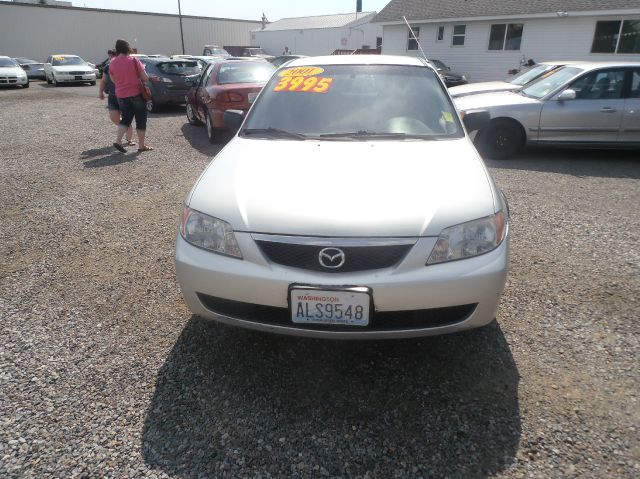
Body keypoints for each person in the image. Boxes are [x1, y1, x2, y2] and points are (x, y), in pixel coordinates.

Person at [107, 39, 153, 152]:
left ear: (117, 49)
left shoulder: (112, 62)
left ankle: (118, 141)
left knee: (126, 119)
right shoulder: (133, 60)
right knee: (141, 120)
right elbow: (145, 77)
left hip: (121, 96)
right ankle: (141, 146)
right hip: (136, 94)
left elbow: (113, 80)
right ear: (128, 48)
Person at [98, 49, 134, 146]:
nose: (110, 59)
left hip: (124, 96)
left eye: (111, 56)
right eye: (109, 57)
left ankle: (129, 139)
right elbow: (104, 81)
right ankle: (126, 126)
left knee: (126, 118)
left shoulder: (125, 66)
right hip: (113, 97)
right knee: (114, 117)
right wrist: (100, 92)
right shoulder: (107, 67)